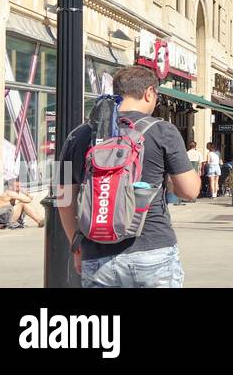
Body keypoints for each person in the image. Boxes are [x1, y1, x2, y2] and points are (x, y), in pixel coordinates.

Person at [57, 65, 200, 288]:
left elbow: (63, 198)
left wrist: (76, 246)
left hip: (96, 254)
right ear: (149, 92)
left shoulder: (77, 135)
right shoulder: (164, 131)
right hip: (153, 249)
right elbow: (189, 191)